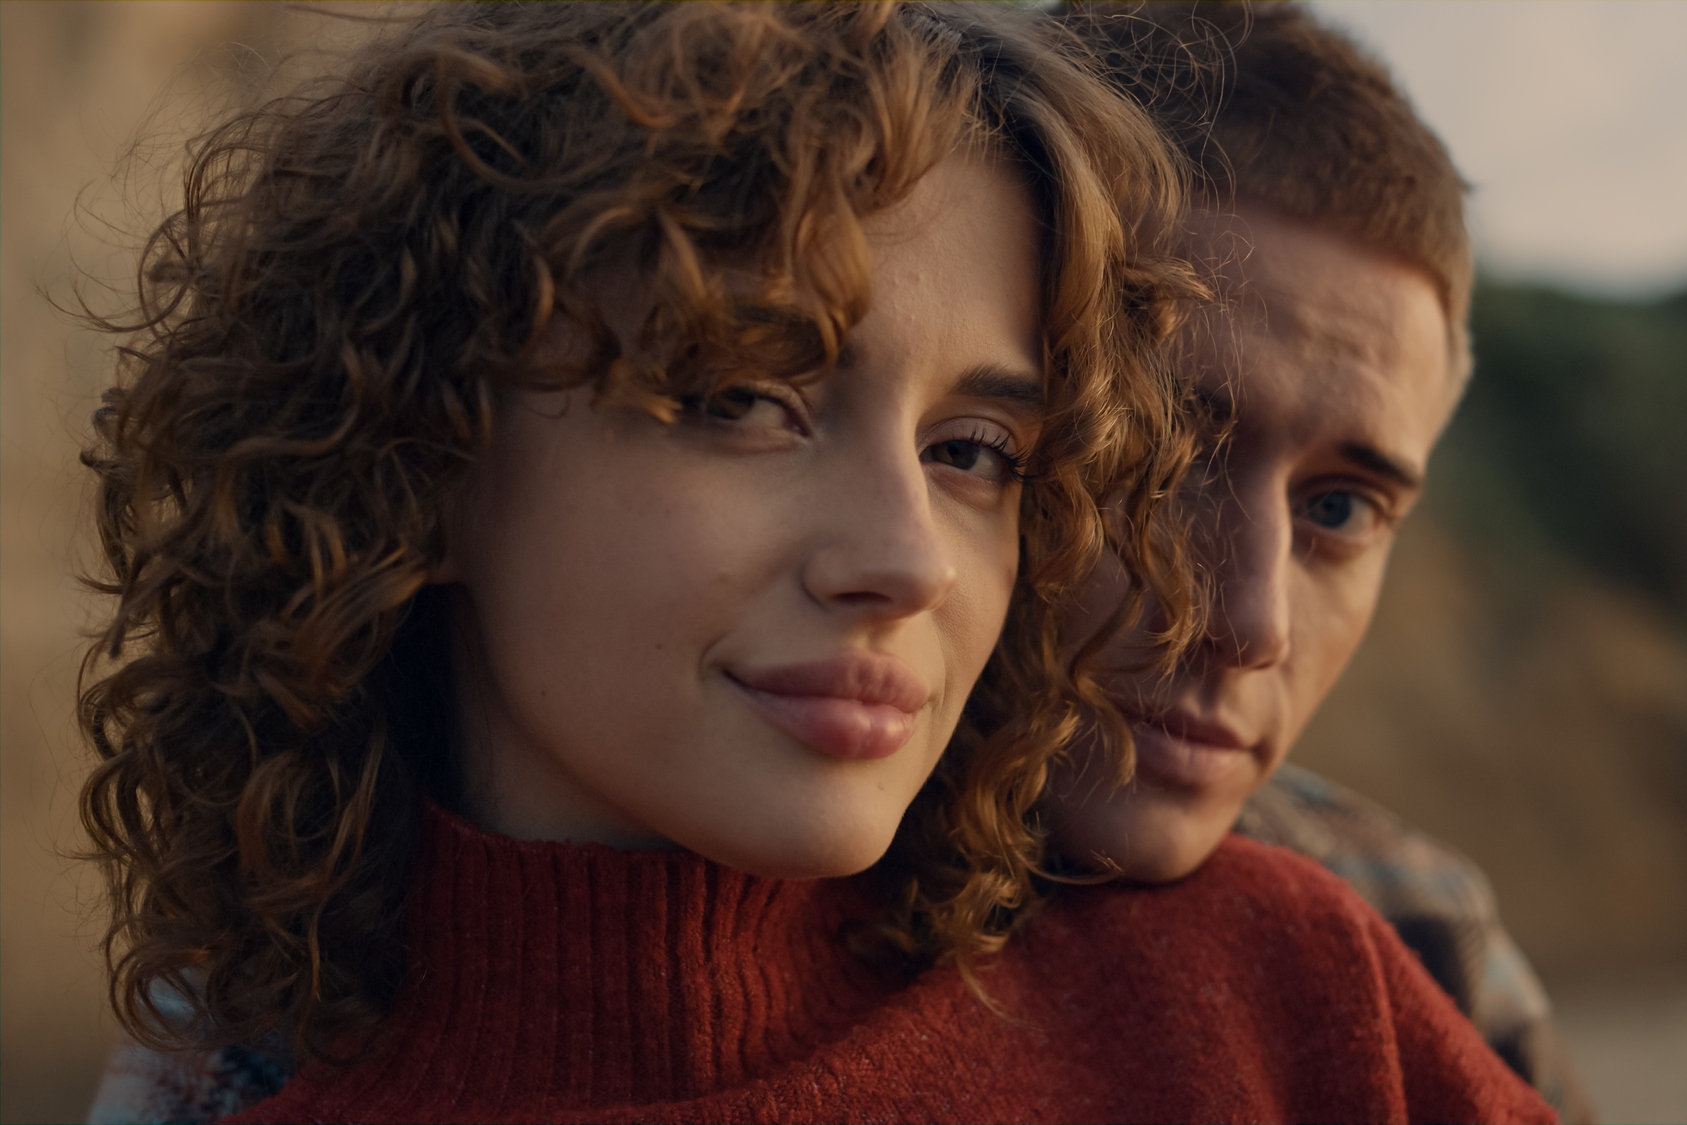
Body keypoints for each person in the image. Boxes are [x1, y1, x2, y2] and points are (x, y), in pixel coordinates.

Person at [80, 4, 1553, 1122]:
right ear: (416, 444)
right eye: (739, 396)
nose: (908, 559)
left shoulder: (1286, 988)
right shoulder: (224, 1073)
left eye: (977, 449)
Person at [1051, 3, 1592, 1119]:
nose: (1252, 622)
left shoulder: (1419, 934)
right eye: (1162, 448)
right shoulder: (674, 870)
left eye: (1341, 506)